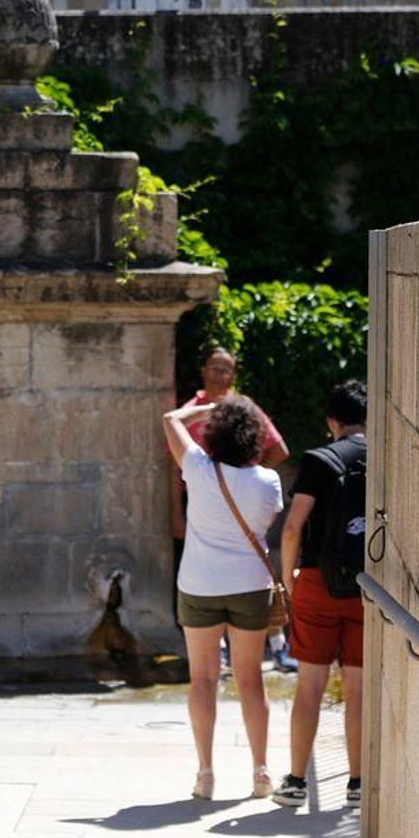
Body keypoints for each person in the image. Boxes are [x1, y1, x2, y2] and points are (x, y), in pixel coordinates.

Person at [163, 396, 283, 801]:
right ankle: (261, 771)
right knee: (251, 679)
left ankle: (205, 772)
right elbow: (266, 522)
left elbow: (170, 419)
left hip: (199, 585)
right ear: (254, 437)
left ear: (215, 434)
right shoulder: (268, 482)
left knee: (203, 679)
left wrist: (202, 409)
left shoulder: (197, 468)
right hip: (250, 586)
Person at [272, 380, 368, 811]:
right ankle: (358, 784)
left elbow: (293, 527)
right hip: (369, 588)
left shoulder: (318, 459)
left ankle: (295, 782)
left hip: (317, 581)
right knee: (358, 689)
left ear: (332, 421)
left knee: (310, 685)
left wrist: (289, 579)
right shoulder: (384, 457)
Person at [170, 346, 295, 671]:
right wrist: (175, 512)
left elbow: (279, 449)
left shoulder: (242, 409)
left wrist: (248, 471)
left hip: (232, 495)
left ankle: (277, 646)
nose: (220, 375)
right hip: (202, 498)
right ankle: (221, 651)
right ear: (203, 370)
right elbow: (173, 468)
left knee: (244, 565)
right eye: (215, 368)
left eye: (226, 370)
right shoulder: (197, 408)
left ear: (234, 374)